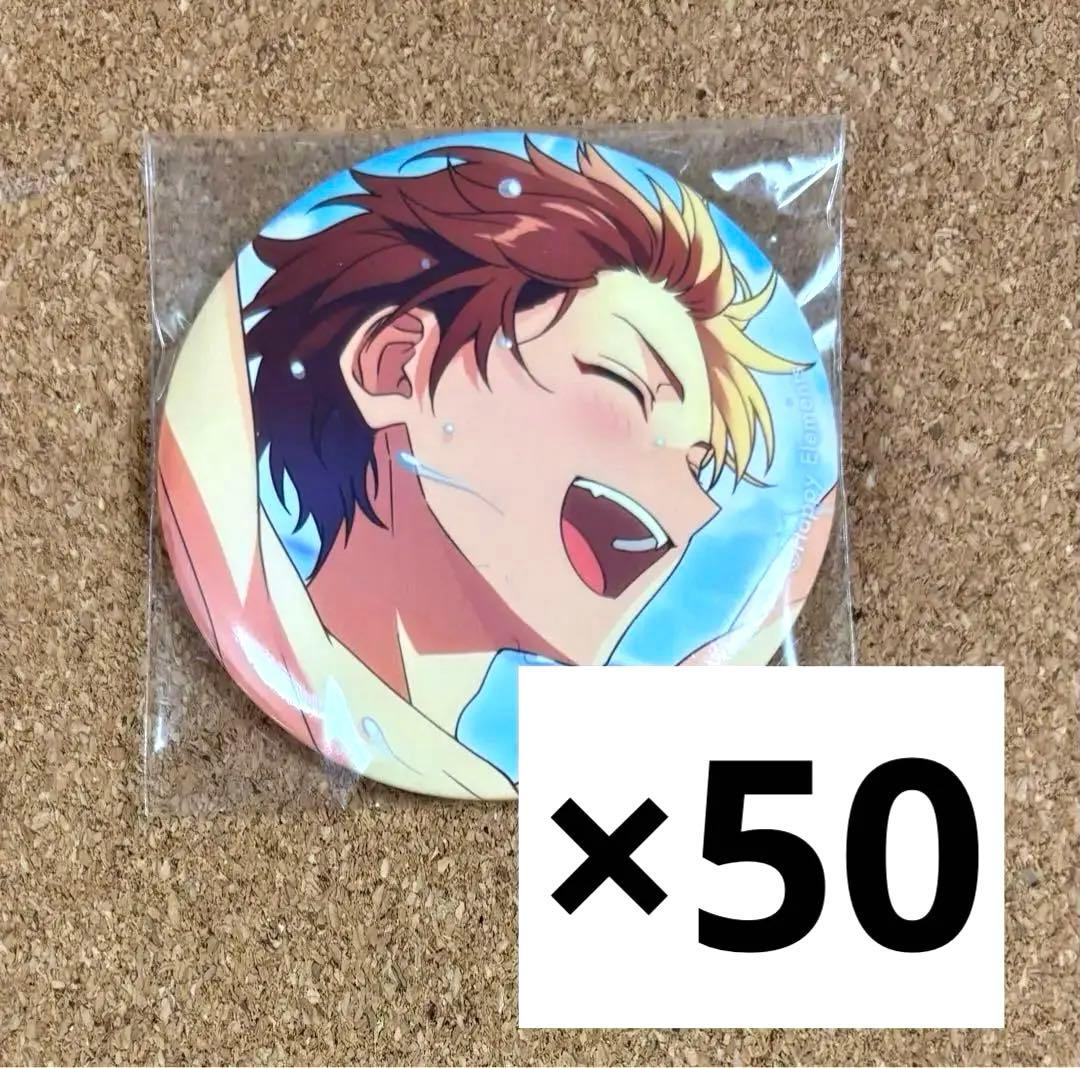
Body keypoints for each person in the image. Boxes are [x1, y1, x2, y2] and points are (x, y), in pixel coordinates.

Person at [157, 140, 834, 798]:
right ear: (395, 364)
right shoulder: (239, 562)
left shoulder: (458, 755)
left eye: (701, 465)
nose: (700, 507)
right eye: (624, 381)